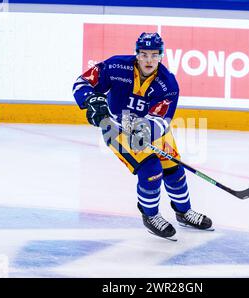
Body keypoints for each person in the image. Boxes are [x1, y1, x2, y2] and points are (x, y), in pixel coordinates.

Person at [73, 32, 212, 240]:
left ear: (161, 56)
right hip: (115, 128)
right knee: (151, 169)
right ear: (137, 54)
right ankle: (151, 215)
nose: (149, 60)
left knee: (174, 170)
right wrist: (91, 100)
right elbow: (82, 82)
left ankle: (184, 212)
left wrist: (144, 130)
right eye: (144, 54)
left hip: (150, 128)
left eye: (154, 55)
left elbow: (161, 120)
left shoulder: (168, 84)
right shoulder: (116, 66)